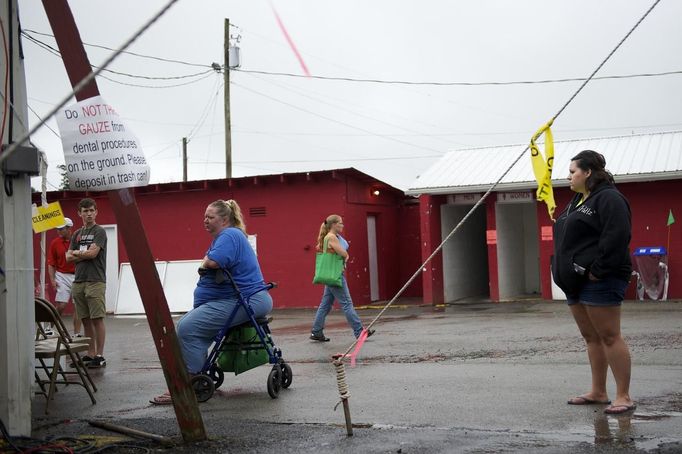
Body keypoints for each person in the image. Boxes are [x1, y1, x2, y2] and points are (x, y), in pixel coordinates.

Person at [150, 199, 273, 405]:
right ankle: (196, 375)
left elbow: (214, 262)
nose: (205, 220)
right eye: (204, 217)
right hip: (240, 298)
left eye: (210, 217)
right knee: (186, 325)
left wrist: (206, 260)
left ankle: (188, 384)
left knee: (188, 327)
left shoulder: (229, 234)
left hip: (247, 299)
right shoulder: (226, 236)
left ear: (224, 219)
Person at [552, 150, 635, 415]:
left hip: (601, 278)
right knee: (591, 337)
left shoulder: (609, 198)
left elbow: (617, 235)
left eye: (573, 171)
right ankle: (598, 391)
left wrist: (598, 270)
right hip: (574, 281)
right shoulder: (576, 200)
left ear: (588, 172)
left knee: (609, 336)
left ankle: (623, 396)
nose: (569, 176)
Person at [310, 214, 373, 342]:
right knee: (347, 304)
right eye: (340, 223)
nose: (342, 225)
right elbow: (342, 252)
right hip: (335, 275)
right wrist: (346, 255)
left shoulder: (329, 237)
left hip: (330, 274)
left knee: (325, 304)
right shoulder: (332, 237)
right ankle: (359, 331)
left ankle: (316, 331)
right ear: (333, 225)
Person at [66, 198, 107, 368]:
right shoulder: (76, 234)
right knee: (85, 320)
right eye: (85, 211)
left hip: (95, 280)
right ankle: (90, 354)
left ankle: (99, 355)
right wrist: (80, 252)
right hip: (79, 281)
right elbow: (67, 257)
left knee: (97, 319)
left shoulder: (100, 232)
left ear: (96, 212)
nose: (89, 214)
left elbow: (93, 254)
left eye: (91, 210)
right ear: (79, 213)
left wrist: (76, 253)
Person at [47, 217, 82, 337]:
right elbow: (51, 263)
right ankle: (49, 328)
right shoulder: (55, 243)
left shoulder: (78, 241)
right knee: (61, 305)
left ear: (69, 229)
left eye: (61, 229)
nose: (58, 231)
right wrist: (52, 280)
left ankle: (77, 333)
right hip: (61, 275)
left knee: (78, 306)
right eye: (58, 229)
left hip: (77, 276)